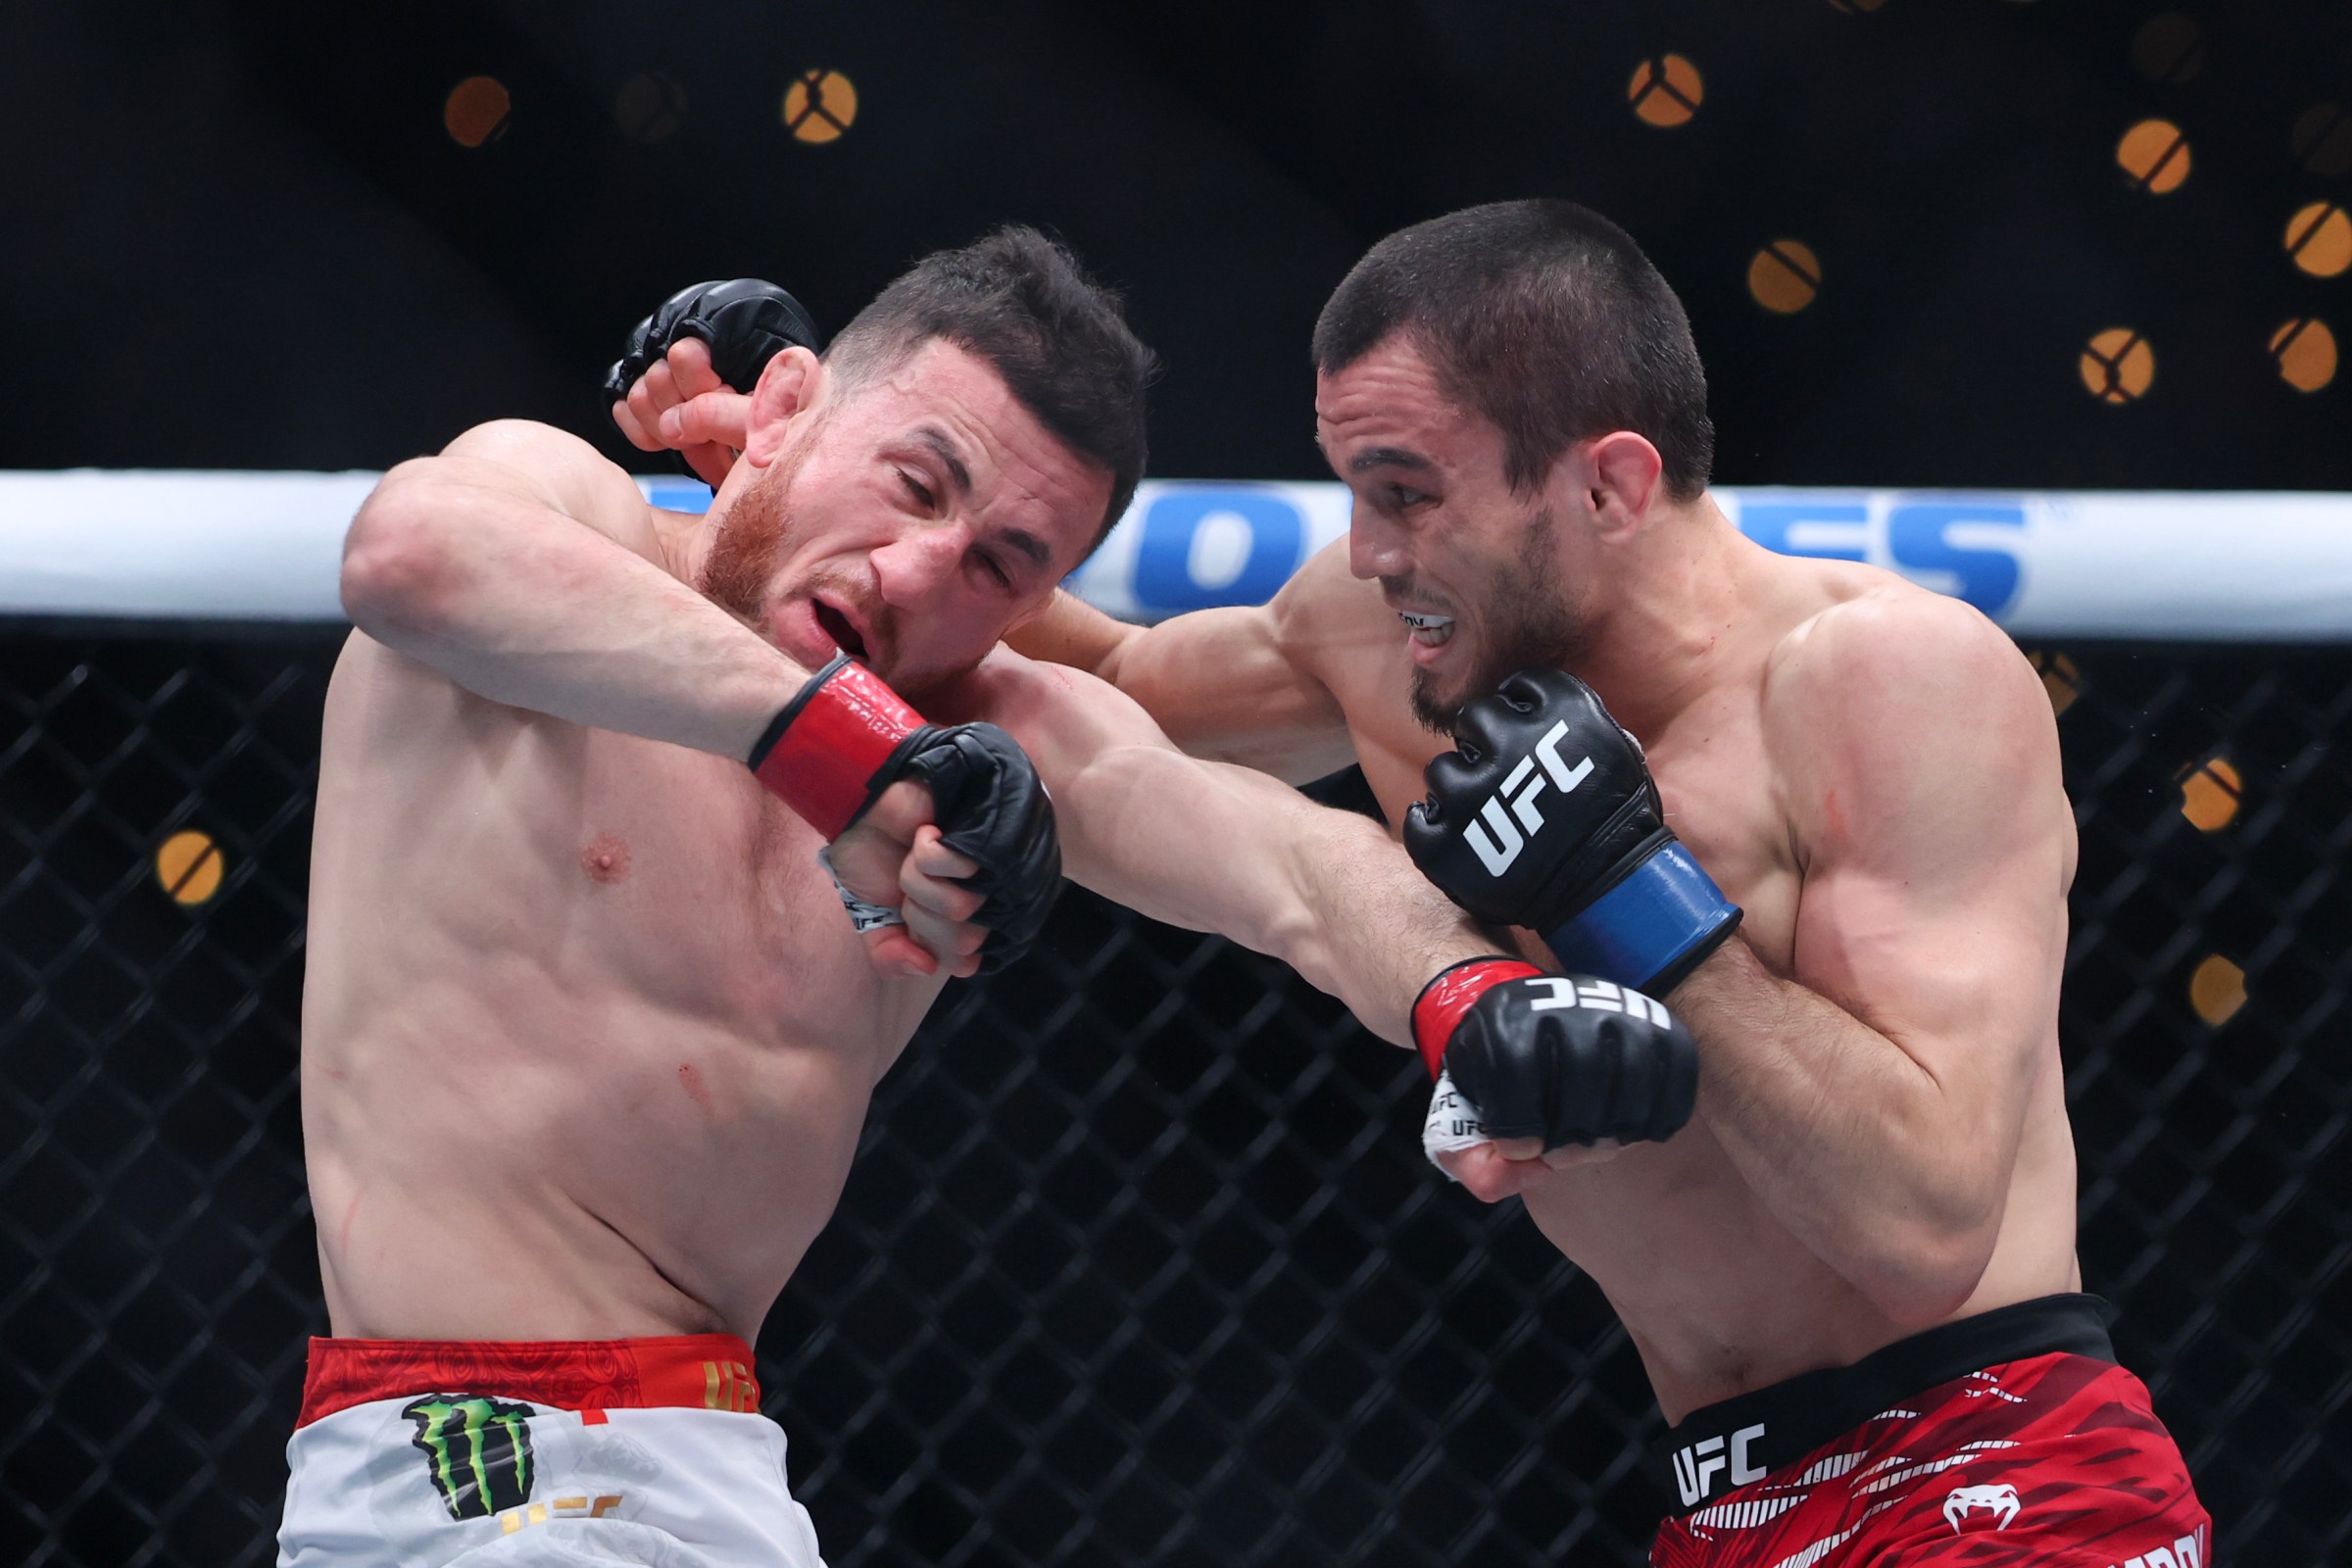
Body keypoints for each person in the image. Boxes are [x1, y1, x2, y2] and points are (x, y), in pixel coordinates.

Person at [628, 202, 2212, 1566]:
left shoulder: (1888, 678)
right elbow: (1107, 676)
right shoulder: (1397, 641)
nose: (1369, 552)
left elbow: (1927, 1222)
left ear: (1603, 484)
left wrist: (1634, 897)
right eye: (1351, 491)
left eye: (1408, 492)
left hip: (1998, 1467)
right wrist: (787, 452)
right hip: (1724, 1496)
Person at [283, 224, 1696, 1568]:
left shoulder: (983, 728)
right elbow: (410, 558)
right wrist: (848, 757)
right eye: (914, 483)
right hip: (462, 1454)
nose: (916, 576)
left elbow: (1273, 858)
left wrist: (1473, 997)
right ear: (780, 410)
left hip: (719, 1462)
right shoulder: (564, 519)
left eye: (999, 566)